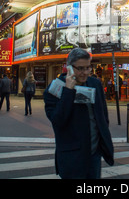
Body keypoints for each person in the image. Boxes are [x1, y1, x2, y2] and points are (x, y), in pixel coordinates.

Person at [44, 48, 114, 179]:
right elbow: (58, 121)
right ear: (69, 68)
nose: (85, 73)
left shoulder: (95, 83)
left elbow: (102, 115)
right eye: (80, 68)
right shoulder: (54, 90)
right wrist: (68, 91)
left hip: (94, 154)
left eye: (88, 68)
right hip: (72, 157)